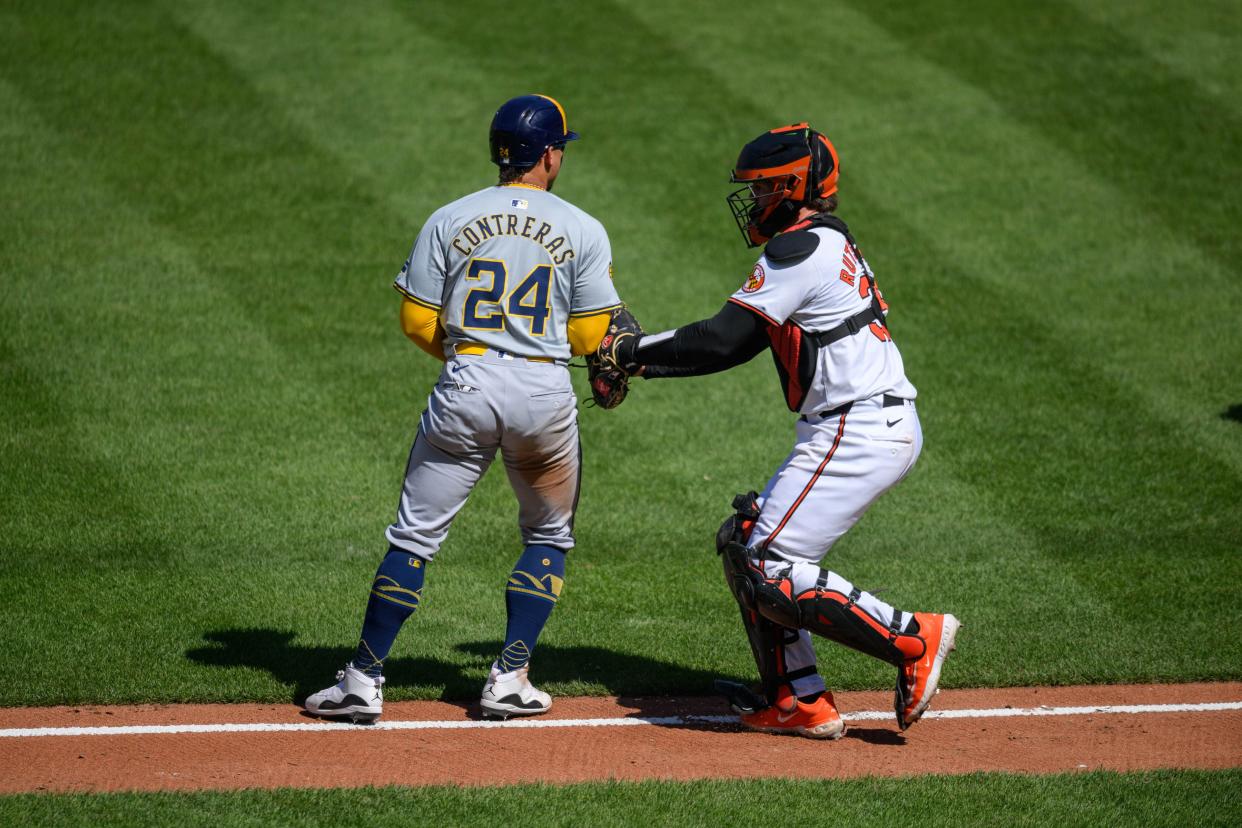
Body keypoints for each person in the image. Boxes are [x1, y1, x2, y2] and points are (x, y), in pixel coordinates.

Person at [605, 123, 959, 739]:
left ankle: (913, 638)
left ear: (795, 187)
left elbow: (725, 339)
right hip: (857, 423)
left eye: (764, 189)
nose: (755, 203)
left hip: (858, 426)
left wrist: (631, 350)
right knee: (746, 539)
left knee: (765, 562)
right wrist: (641, 358)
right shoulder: (816, 240)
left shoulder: (799, 249)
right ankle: (800, 701)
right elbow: (736, 345)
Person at [305, 94, 622, 722]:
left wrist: (471, 362)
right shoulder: (583, 227)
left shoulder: (448, 218)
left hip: (467, 384)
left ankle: (363, 682)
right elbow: (590, 338)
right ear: (550, 157)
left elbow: (416, 319)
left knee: (415, 535)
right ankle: (509, 677)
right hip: (544, 394)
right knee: (548, 534)